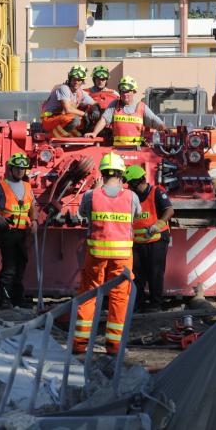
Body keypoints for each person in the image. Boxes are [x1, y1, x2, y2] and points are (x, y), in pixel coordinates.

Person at [73, 152, 140, 355]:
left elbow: (82, 214)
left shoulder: (90, 195)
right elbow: (136, 216)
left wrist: (95, 191)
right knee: (119, 298)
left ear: (101, 173)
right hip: (122, 257)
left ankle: (79, 344)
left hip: (96, 254)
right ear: (121, 174)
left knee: (88, 296)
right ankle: (114, 346)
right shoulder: (131, 196)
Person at [0, 152, 39, 309]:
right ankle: (6, 300)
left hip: (22, 232)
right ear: (11, 169)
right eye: (18, 168)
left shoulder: (27, 187)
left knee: (21, 265)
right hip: (7, 231)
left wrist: (34, 220)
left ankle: (18, 298)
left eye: (23, 168)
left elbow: (33, 206)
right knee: (9, 266)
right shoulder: (1, 186)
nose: (20, 171)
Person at [123, 165, 174, 312]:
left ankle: (155, 304)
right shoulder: (131, 197)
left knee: (155, 273)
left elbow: (169, 210)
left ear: (136, 182)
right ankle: (138, 303)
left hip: (156, 240)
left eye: (130, 183)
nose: (128, 186)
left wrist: (158, 224)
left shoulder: (156, 192)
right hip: (138, 241)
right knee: (137, 274)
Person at [84, 76, 166, 146]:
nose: (124, 94)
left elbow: (155, 121)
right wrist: (94, 133)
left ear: (134, 92)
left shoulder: (141, 106)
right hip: (117, 149)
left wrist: (166, 129)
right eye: (122, 91)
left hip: (137, 150)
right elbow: (104, 120)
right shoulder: (114, 104)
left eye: (127, 91)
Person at [41, 65, 96, 137]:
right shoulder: (64, 88)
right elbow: (68, 109)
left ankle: (72, 137)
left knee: (85, 121)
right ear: (70, 78)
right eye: (74, 79)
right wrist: (84, 114)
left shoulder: (80, 92)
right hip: (49, 119)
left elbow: (94, 103)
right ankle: (51, 137)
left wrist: (96, 109)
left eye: (79, 80)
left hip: (61, 119)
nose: (76, 82)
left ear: (82, 81)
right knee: (75, 120)